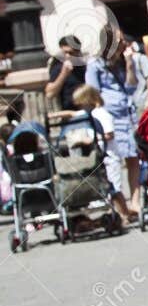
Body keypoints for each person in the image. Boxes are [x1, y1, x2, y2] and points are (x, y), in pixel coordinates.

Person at [85, 34, 142, 208]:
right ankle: (121, 207)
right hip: (109, 118)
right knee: (113, 161)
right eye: (120, 44)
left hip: (127, 114)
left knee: (133, 158)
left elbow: (131, 87)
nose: (124, 46)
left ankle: (135, 201)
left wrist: (130, 64)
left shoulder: (121, 63)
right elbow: (92, 93)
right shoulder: (94, 65)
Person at [71, 83, 134, 223]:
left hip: (110, 155)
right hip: (98, 156)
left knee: (115, 187)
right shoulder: (90, 115)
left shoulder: (102, 113)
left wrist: (90, 140)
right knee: (106, 187)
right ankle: (116, 213)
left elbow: (109, 134)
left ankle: (124, 214)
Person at [45, 34, 87, 116]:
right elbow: (50, 93)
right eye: (65, 53)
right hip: (69, 114)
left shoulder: (85, 67)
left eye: (71, 53)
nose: (67, 56)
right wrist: (64, 74)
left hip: (86, 109)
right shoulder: (58, 68)